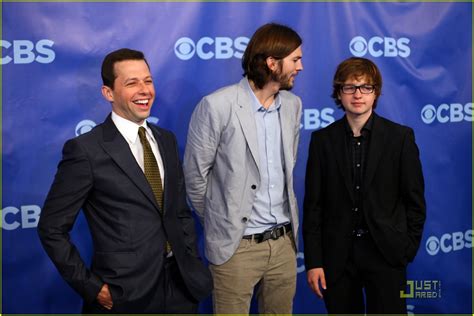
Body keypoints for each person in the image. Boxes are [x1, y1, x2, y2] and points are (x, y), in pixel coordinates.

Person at [37, 48, 212, 314]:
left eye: (148, 80)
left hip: (181, 288)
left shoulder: (166, 139)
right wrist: (93, 288)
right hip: (124, 295)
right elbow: (51, 228)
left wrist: (191, 261)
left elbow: (178, 213)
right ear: (108, 93)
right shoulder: (86, 150)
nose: (144, 90)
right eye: (132, 83)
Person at [183, 23, 303, 314]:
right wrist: (223, 219)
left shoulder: (292, 106)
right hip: (236, 248)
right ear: (272, 63)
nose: (300, 67)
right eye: (295, 60)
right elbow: (195, 179)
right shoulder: (216, 106)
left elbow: (289, 167)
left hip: (284, 246)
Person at [303, 57, 426, 314]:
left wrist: (405, 249)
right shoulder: (322, 141)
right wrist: (314, 262)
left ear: (375, 92)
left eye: (365, 87)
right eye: (349, 87)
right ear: (339, 92)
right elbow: (313, 207)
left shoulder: (400, 138)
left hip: (386, 254)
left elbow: (415, 201)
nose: (357, 94)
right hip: (337, 258)